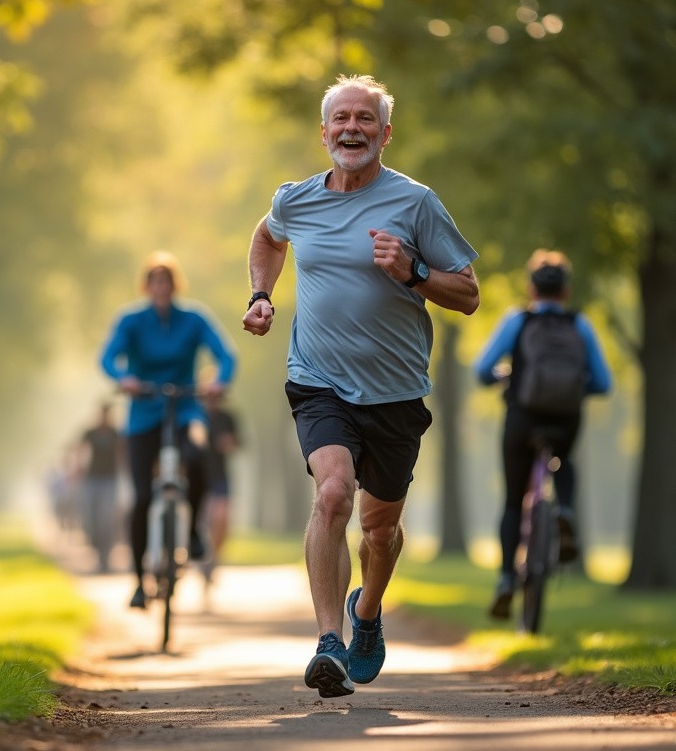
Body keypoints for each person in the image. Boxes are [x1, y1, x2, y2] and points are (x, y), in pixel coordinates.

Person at [242, 74, 479, 699]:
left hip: (396, 391)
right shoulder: (296, 199)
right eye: (341, 119)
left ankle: (366, 612)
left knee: (379, 531)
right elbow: (268, 235)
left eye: (365, 120)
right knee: (333, 494)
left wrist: (415, 270)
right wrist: (262, 296)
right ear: (324, 133)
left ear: (385, 133)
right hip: (317, 381)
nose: (352, 129)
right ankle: (328, 643)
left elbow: (470, 294)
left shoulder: (417, 203)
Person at [474, 249, 611, 620]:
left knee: (512, 501)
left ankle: (505, 578)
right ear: (565, 291)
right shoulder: (580, 325)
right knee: (564, 460)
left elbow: (482, 369)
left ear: (531, 288)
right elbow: (603, 382)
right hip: (565, 418)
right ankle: (564, 509)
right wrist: (577, 388)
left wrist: (501, 376)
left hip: (522, 418)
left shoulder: (517, 320)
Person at [101, 251, 237, 610]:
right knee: (143, 498)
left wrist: (219, 382)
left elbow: (226, 355)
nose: (161, 287)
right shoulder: (131, 321)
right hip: (143, 414)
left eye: (167, 281)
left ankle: (192, 531)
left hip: (186, 408)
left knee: (198, 449)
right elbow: (107, 358)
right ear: (146, 286)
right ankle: (137, 582)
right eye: (154, 281)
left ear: (175, 285)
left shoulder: (194, 318)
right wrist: (123, 378)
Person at [77, 402, 125, 573]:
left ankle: (105, 558)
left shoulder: (115, 434)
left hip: (109, 481)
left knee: (106, 519)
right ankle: (97, 552)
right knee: (91, 519)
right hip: (92, 480)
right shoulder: (90, 433)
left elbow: (122, 454)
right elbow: (79, 449)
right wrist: (78, 466)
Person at [200, 390, 240, 583]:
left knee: (221, 518)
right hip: (198, 476)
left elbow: (238, 442)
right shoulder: (194, 417)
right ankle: (202, 558)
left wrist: (229, 443)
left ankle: (213, 558)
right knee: (203, 520)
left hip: (220, 476)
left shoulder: (227, 418)